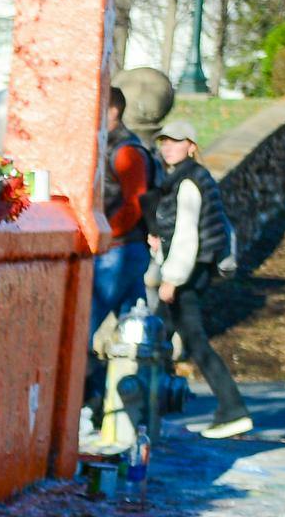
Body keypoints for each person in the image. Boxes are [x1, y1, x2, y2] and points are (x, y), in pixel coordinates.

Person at [146, 120, 252, 439]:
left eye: (176, 141)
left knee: (191, 341)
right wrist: (160, 245)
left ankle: (233, 409)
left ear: (191, 146)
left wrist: (172, 278)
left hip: (188, 274)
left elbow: (187, 236)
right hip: (193, 270)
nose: (168, 147)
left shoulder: (188, 181)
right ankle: (151, 409)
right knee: (160, 336)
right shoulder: (188, 177)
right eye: (164, 141)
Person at [86, 87, 158, 425]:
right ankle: (128, 411)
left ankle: (95, 403)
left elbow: (134, 202)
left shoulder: (126, 150)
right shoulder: (114, 145)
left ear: (113, 110)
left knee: (84, 327)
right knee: (135, 336)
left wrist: (107, 235)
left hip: (120, 250)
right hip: (125, 249)